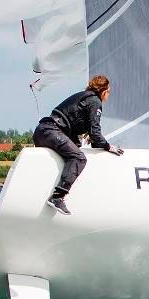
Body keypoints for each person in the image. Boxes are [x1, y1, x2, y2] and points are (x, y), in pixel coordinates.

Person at [33, 75, 123, 215]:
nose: (108, 95)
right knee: (79, 158)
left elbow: (75, 122)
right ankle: (57, 197)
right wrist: (109, 147)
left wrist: (93, 141)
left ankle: (48, 190)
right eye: (109, 92)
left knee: (76, 146)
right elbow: (95, 134)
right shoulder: (95, 101)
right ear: (104, 91)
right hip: (51, 132)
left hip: (42, 131)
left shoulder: (83, 96)